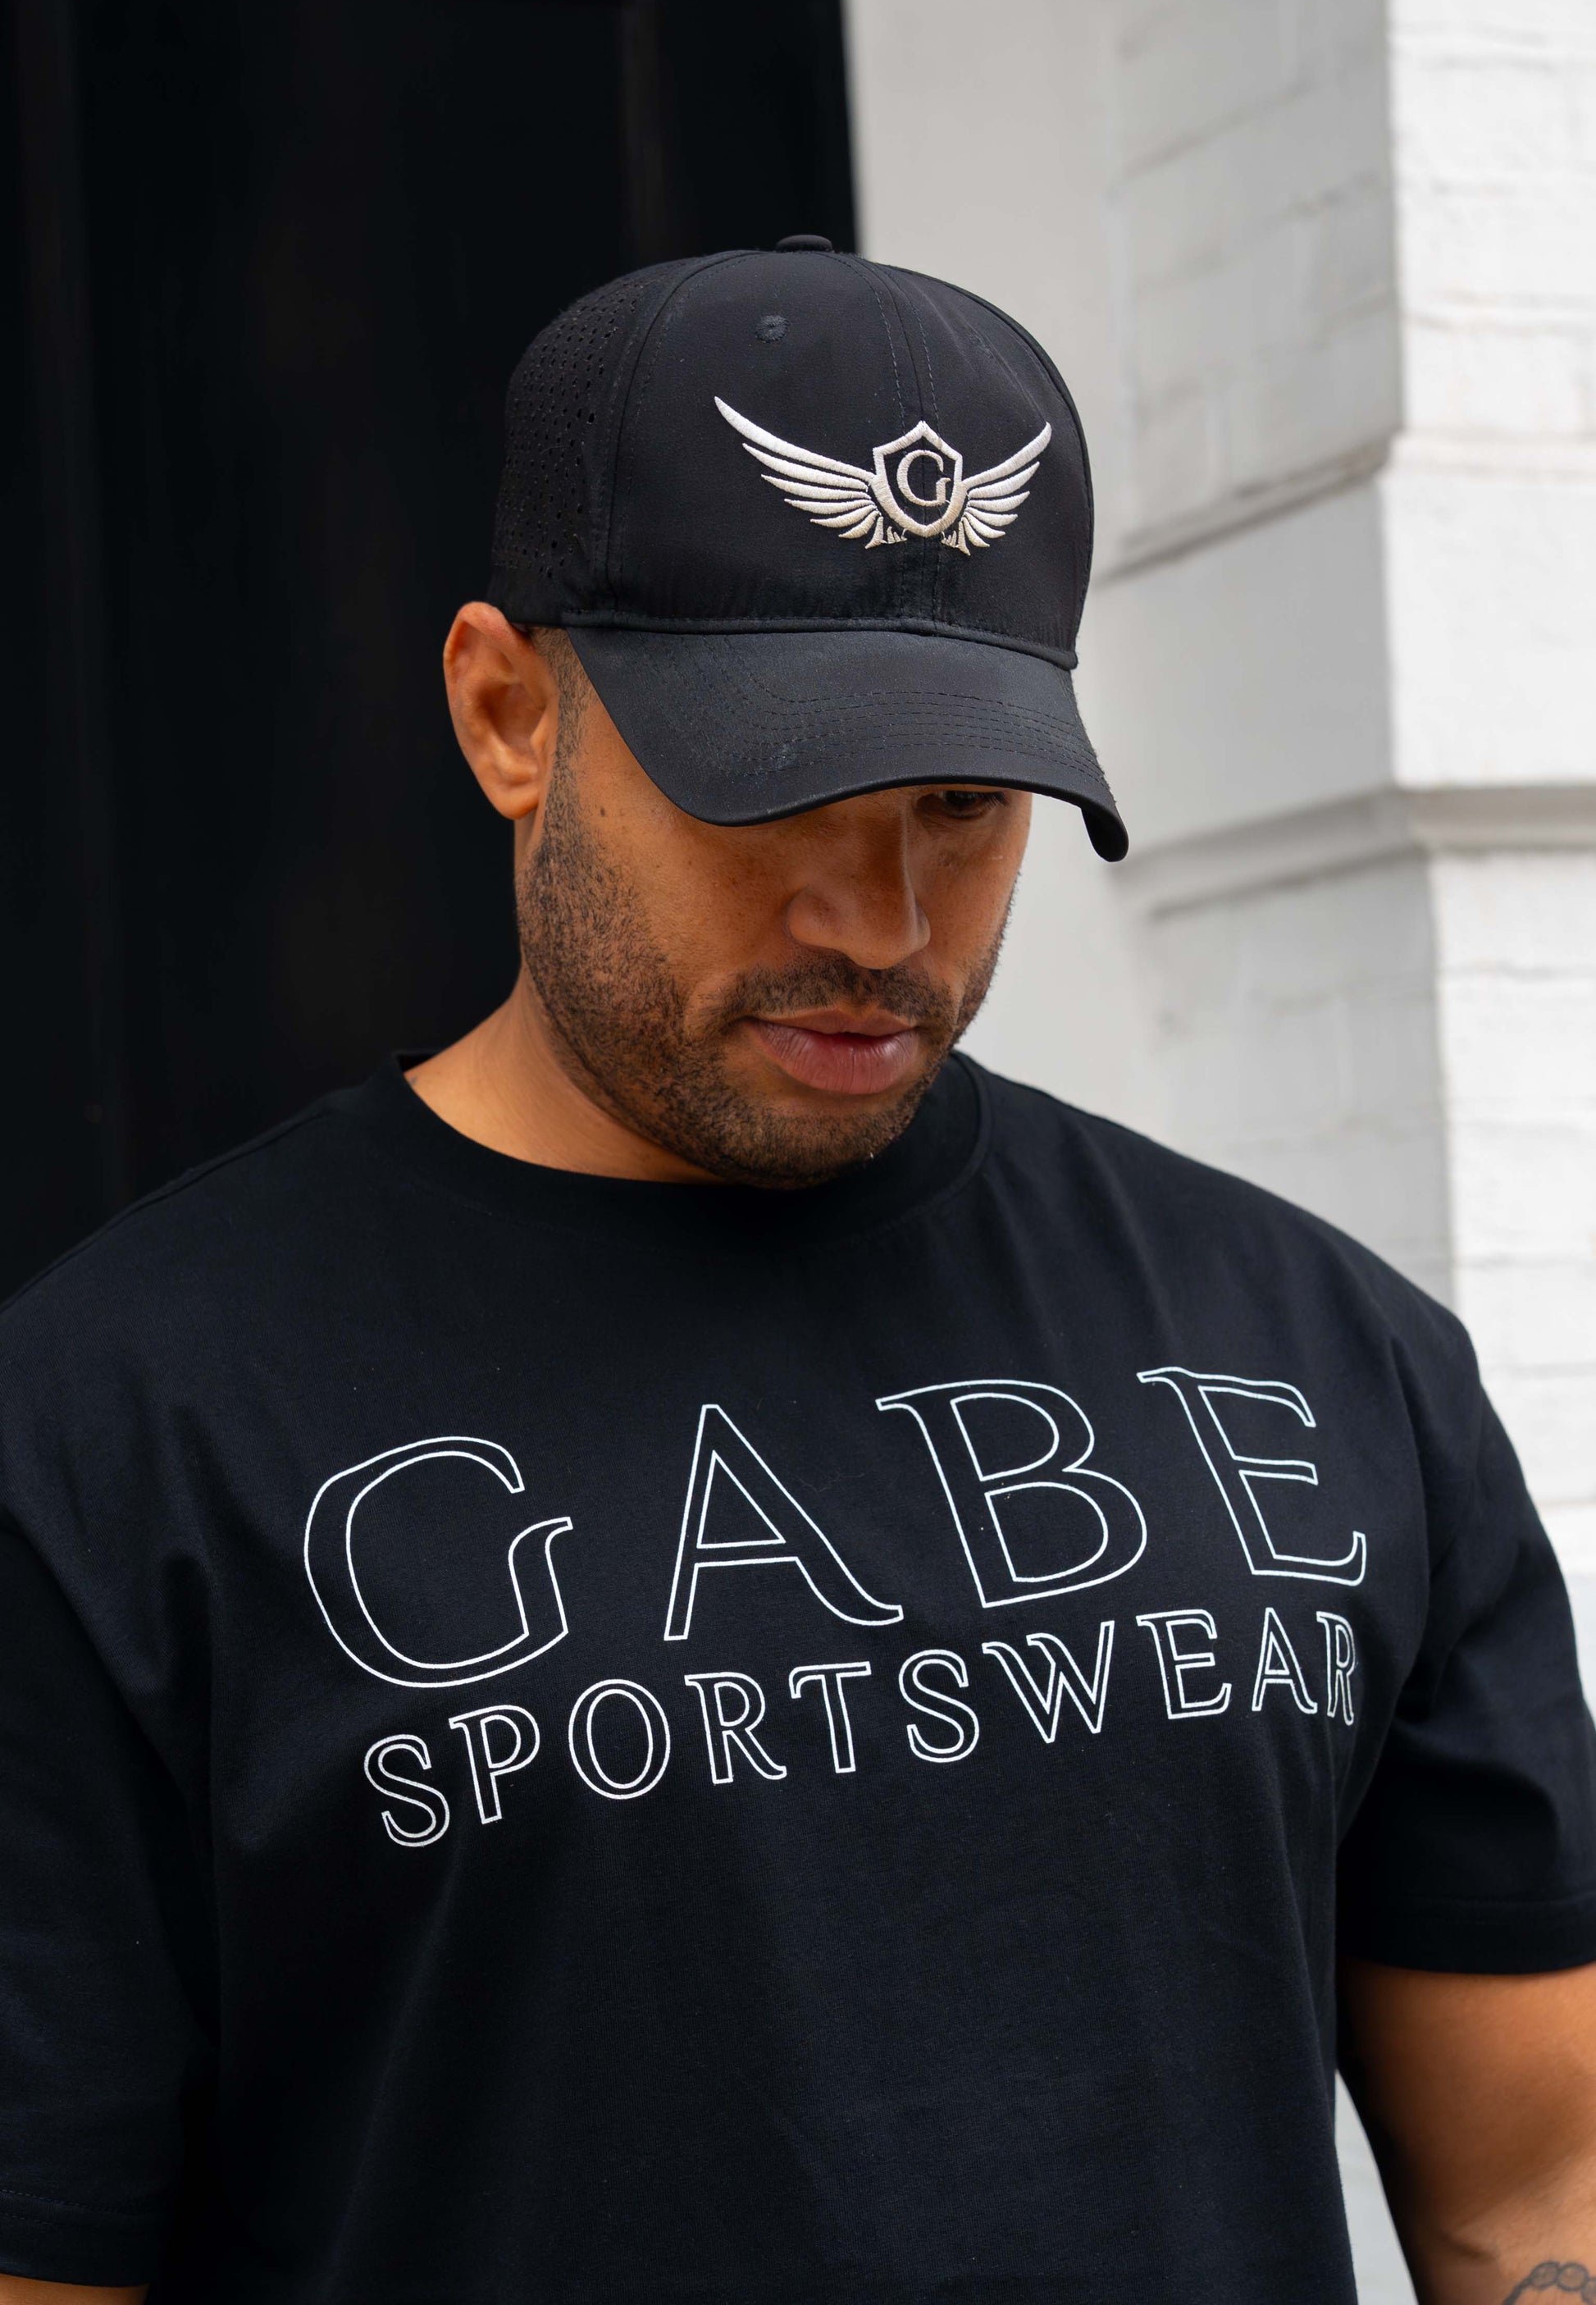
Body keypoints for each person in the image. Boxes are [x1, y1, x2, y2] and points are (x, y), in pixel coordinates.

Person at [2, 237, 1595, 2305]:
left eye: (960, 802)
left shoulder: (1328, 1358)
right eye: (774, 791)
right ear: (506, 709)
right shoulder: (119, 1428)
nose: (881, 914)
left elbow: (1533, 2198)